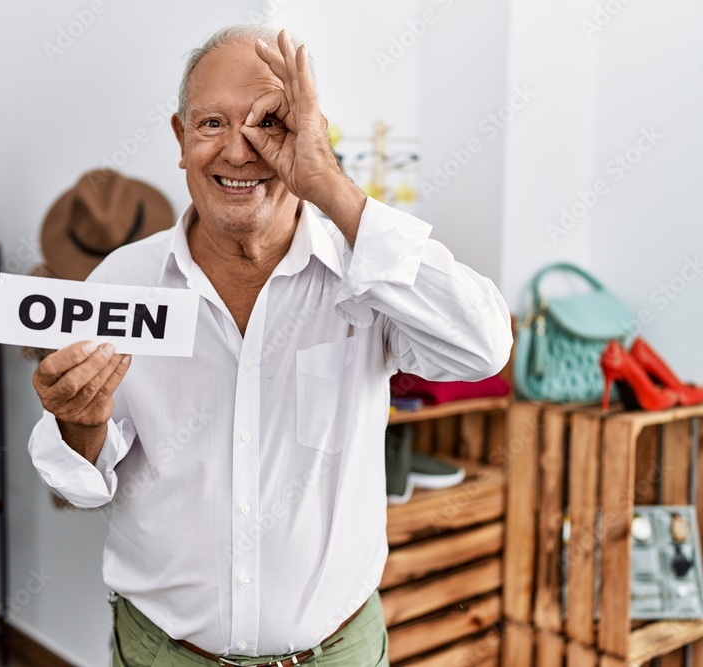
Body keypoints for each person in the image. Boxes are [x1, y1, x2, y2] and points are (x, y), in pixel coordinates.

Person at [29, 25, 512, 667]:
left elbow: (483, 349)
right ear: (180, 139)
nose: (239, 151)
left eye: (269, 123)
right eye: (211, 124)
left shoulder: (364, 273)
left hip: (339, 651)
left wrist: (332, 186)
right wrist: (79, 425)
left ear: (310, 132)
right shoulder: (121, 281)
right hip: (161, 654)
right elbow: (85, 482)